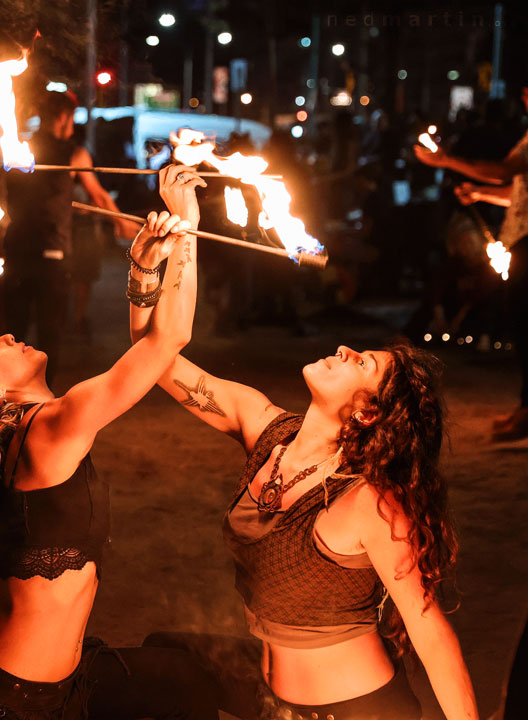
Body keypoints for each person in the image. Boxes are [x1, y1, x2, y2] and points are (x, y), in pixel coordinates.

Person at [130, 210, 478, 717]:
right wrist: (159, 255)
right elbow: (150, 358)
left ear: (367, 412)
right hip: (274, 702)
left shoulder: (370, 501)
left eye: (361, 362)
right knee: (157, 656)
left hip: (359, 710)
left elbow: (430, 632)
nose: (344, 348)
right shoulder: (264, 426)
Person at [0, 165, 218, 720]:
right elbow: (168, 339)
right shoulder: (51, 426)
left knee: (183, 679)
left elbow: (3, 549)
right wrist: (189, 226)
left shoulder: (21, 441)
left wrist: (145, 263)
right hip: (8, 704)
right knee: (184, 685)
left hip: (42, 682)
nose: (5, 334)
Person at [414, 80, 528, 441]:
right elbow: (516, 190)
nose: (524, 96)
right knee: (521, 318)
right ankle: (526, 407)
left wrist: (447, 160)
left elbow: (503, 171)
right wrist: (480, 192)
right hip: (521, 234)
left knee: (524, 317)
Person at [2, 90, 137, 384]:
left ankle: (12, 390)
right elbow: (98, 194)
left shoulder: (19, 147)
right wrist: (122, 222)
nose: (72, 124)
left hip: (15, 249)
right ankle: (41, 391)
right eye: (72, 117)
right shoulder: (73, 153)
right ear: (63, 116)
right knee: (49, 330)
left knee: (14, 329)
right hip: (51, 253)